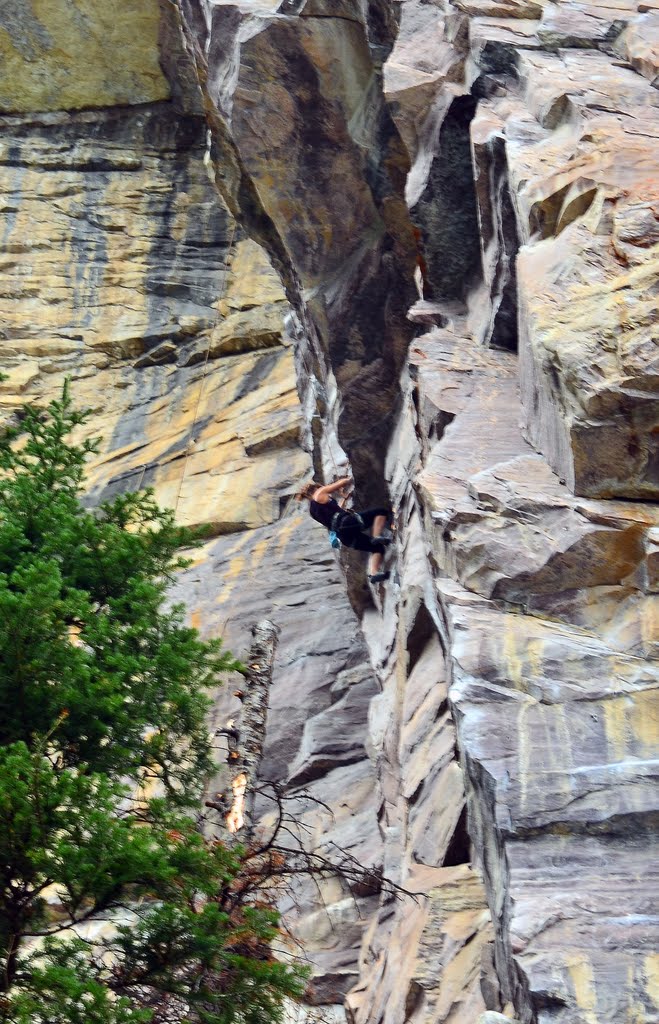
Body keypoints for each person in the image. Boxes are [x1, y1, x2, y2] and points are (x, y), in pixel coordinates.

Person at [297, 476, 392, 583]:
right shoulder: (319, 492)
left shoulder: (312, 511)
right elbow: (342, 483)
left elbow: (334, 514)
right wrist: (348, 479)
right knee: (381, 512)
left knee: (377, 548)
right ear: (316, 488)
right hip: (347, 523)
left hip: (344, 536)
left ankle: (373, 573)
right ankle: (376, 536)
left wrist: (344, 499)